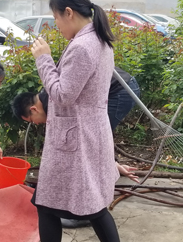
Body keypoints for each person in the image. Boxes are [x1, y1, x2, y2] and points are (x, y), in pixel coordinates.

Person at [24, 0, 132, 242]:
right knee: (93, 204)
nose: (56, 25)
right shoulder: (99, 40)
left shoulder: (83, 46)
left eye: (56, 18)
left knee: (47, 203)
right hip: (89, 132)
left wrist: (44, 60)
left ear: (69, 13)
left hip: (74, 138)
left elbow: (62, 95)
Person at [12, 81, 140, 228]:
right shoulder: (50, 98)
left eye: (31, 121)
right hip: (117, 86)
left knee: (93, 134)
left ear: (34, 109)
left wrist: (111, 164)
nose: (35, 123)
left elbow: (90, 142)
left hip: (121, 89)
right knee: (91, 139)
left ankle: (85, 214)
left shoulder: (54, 104)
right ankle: (90, 206)